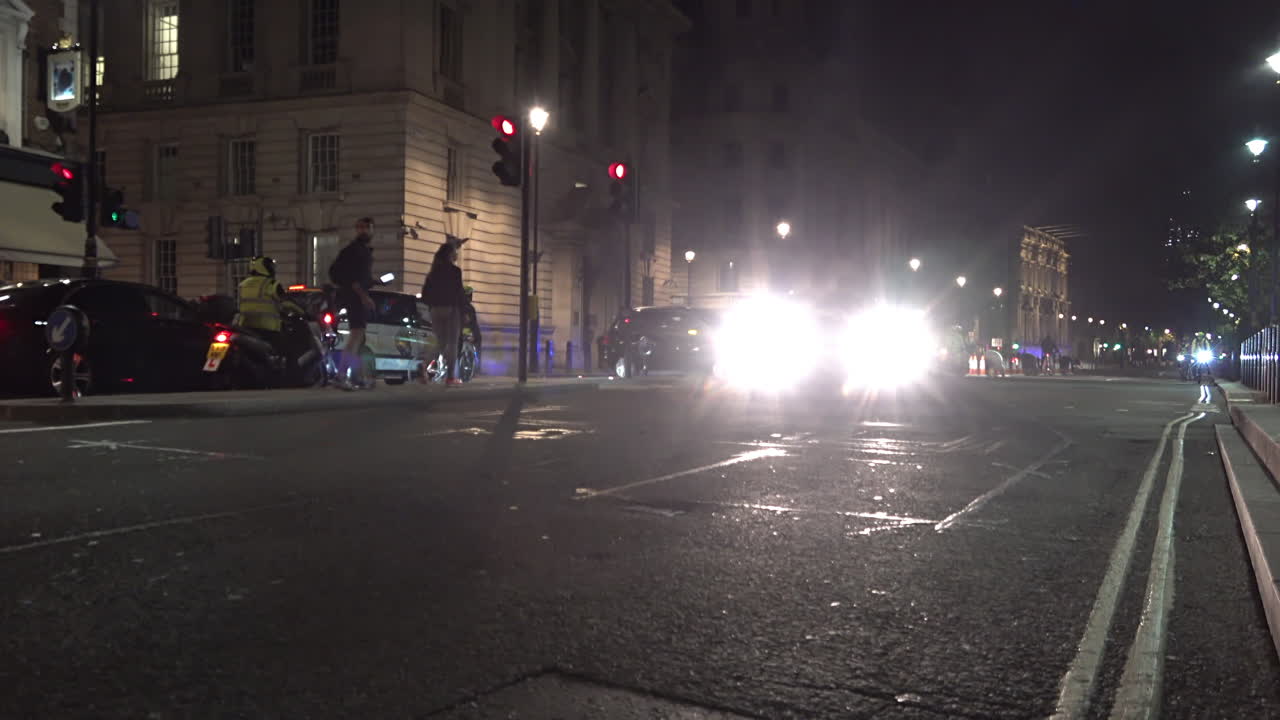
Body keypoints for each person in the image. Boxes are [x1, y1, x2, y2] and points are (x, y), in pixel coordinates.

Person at [329, 217, 377, 389]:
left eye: (366, 227)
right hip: (356, 297)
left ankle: (357, 376)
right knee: (356, 335)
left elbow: (336, 272)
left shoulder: (351, 250)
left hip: (351, 295)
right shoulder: (359, 251)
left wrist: (373, 281)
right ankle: (341, 376)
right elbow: (355, 278)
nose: (364, 231)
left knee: (359, 337)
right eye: (361, 227)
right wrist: (363, 296)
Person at [421, 242, 466, 386]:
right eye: (455, 251)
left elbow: (424, 295)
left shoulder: (433, 272)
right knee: (452, 343)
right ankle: (451, 377)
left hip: (435, 310)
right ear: (450, 254)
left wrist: (433, 305)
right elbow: (459, 293)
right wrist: (464, 310)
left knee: (440, 342)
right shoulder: (455, 271)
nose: (457, 254)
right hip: (451, 309)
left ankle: (423, 365)